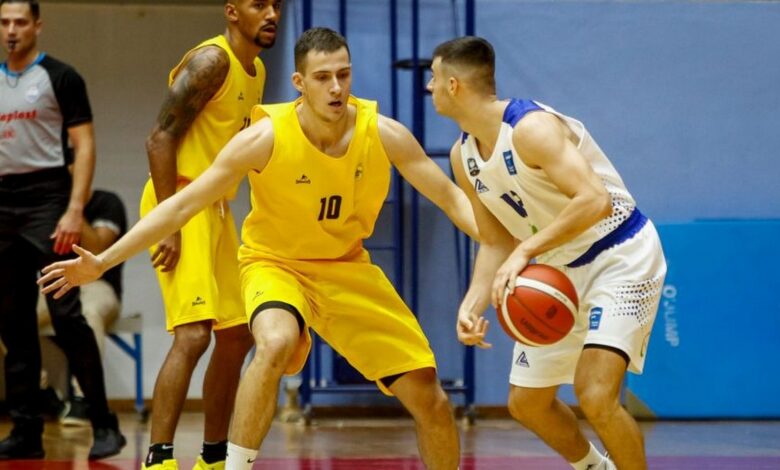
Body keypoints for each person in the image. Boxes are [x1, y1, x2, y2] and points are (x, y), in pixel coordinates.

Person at [40, 27, 479, 470]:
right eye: (322, 77)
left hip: (346, 267)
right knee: (273, 341)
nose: (336, 87)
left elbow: (451, 197)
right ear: (299, 83)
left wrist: (510, 248)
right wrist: (104, 261)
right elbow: (183, 205)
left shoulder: (383, 133)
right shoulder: (264, 137)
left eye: (343, 75)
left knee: (431, 397)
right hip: (275, 265)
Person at [427, 36, 667, 470]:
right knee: (527, 403)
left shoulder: (531, 128)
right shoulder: (463, 157)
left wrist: (528, 250)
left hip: (620, 255)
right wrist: (472, 304)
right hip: (558, 269)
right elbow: (496, 241)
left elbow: (595, 200)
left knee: (595, 394)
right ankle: (596, 467)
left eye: (434, 78)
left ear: (454, 85)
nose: (430, 87)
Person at [139, 1, 280, 468]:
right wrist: (169, 221)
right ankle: (158, 459)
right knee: (194, 334)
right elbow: (159, 138)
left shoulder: (256, 70)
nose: (271, 13)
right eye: (259, 5)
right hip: (178, 199)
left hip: (214, 206)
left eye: (277, 5)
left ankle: (213, 457)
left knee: (237, 334)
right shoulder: (211, 61)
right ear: (232, 12)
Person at [0, 0, 125, 460]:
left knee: (67, 314)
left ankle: (104, 424)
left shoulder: (61, 77)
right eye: (4, 22)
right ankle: (26, 431)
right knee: (12, 319)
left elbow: (84, 144)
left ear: (37, 25)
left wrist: (74, 208)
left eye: (20, 21)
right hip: (4, 202)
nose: (11, 30)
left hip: (49, 197)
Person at [37, 189, 127, 426]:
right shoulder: (43, 203)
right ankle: (42, 393)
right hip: (56, 284)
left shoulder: (106, 202)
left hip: (98, 285)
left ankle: (83, 400)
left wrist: (72, 206)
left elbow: (97, 253)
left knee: (89, 312)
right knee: (10, 314)